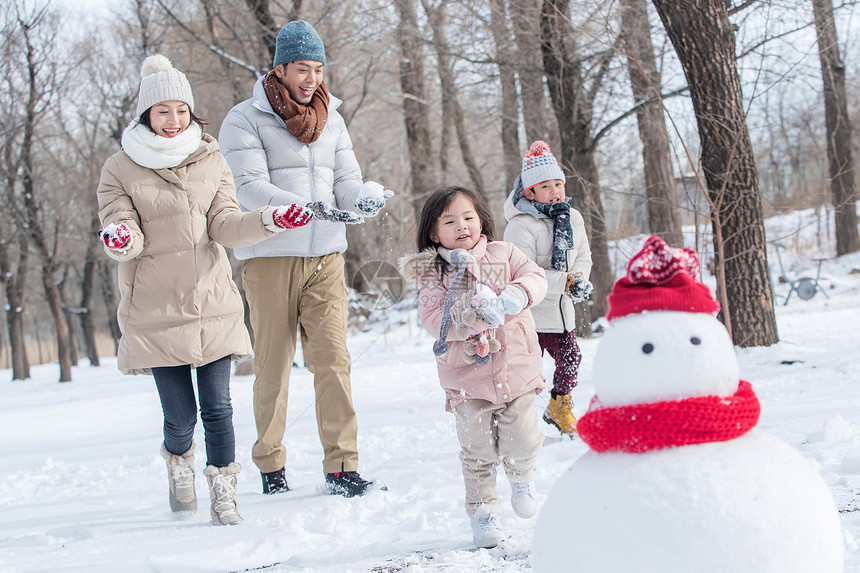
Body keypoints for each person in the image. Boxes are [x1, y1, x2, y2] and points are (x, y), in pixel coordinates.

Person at [97, 54, 312, 526]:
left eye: (180, 110)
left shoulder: (210, 157)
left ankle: (224, 493)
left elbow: (225, 224)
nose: (173, 120)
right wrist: (120, 237)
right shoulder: (119, 167)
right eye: (162, 111)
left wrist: (269, 220)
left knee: (218, 408)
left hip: (211, 302)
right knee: (180, 419)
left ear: (191, 112)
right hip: (155, 310)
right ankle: (179, 465)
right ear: (146, 116)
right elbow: (121, 224)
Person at [218, 20, 391, 497]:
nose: (311, 77)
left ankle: (342, 465)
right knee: (273, 365)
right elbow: (247, 186)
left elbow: (346, 181)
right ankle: (271, 464)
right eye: (302, 68)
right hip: (270, 254)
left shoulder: (332, 118)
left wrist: (364, 198)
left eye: (317, 68)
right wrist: (295, 209)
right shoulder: (245, 119)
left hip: (326, 254)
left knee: (333, 360)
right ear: (280, 68)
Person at [399, 186, 548, 549]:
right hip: (467, 380)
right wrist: (468, 319)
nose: (461, 225)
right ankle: (483, 513)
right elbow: (433, 317)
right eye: (449, 221)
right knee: (477, 449)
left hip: (516, 369)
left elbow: (536, 276)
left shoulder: (504, 253)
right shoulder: (434, 272)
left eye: (468, 217)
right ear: (435, 233)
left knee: (523, 435)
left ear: (480, 219)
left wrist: (516, 294)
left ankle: (522, 473)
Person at [503, 141, 593, 437]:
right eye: (546, 186)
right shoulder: (521, 225)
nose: (555, 191)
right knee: (527, 373)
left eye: (559, 183)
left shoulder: (573, 218)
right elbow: (522, 270)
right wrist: (562, 282)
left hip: (561, 313)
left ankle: (559, 406)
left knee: (571, 359)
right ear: (530, 192)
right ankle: (519, 420)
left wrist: (577, 279)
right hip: (528, 316)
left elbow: (582, 256)